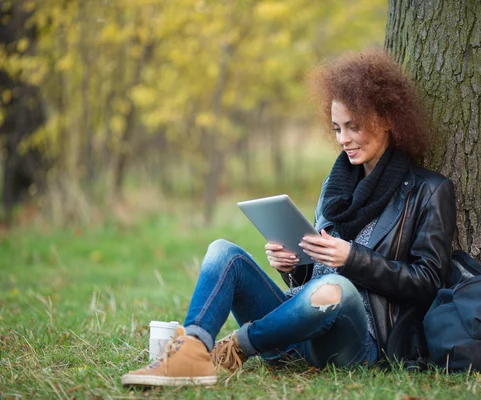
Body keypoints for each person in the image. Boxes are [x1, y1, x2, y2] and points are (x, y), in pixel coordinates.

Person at [121, 49, 456, 387]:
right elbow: (311, 276)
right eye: (337, 128)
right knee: (224, 252)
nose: (343, 140)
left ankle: (238, 345)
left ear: (386, 119)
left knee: (335, 287)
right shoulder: (337, 185)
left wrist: (354, 259)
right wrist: (291, 266)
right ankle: (191, 353)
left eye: (353, 127)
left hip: (357, 341)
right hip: (300, 327)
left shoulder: (428, 191)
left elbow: (428, 282)